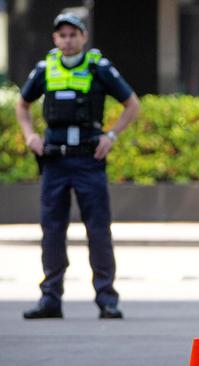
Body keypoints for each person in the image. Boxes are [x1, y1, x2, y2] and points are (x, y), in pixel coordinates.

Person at [16, 12, 140, 319]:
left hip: (89, 160)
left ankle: (106, 298)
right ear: (55, 39)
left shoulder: (99, 68)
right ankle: (50, 299)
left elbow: (132, 104)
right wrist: (30, 135)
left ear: (83, 37)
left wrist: (110, 136)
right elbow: (22, 104)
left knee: (98, 230)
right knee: (52, 231)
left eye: (74, 34)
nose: (68, 40)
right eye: (63, 35)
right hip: (55, 160)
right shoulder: (46, 68)